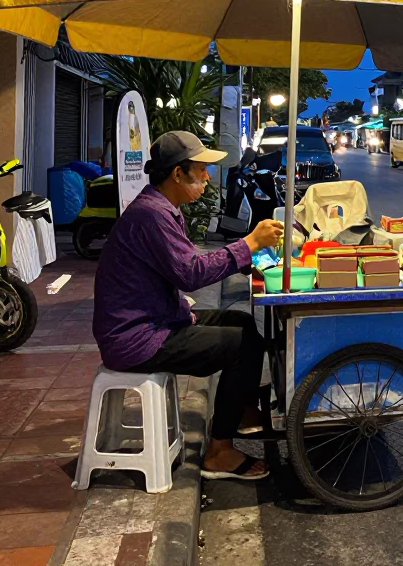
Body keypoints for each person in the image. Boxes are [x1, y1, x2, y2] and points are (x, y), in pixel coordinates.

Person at [92, 130, 284, 482]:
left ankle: (241, 410)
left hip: (157, 319)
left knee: (241, 322)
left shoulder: (161, 209)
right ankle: (219, 452)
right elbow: (190, 273)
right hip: (138, 337)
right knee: (242, 346)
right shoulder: (151, 215)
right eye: (201, 170)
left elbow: (185, 261)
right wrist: (250, 242)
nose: (207, 178)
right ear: (178, 174)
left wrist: (250, 259)